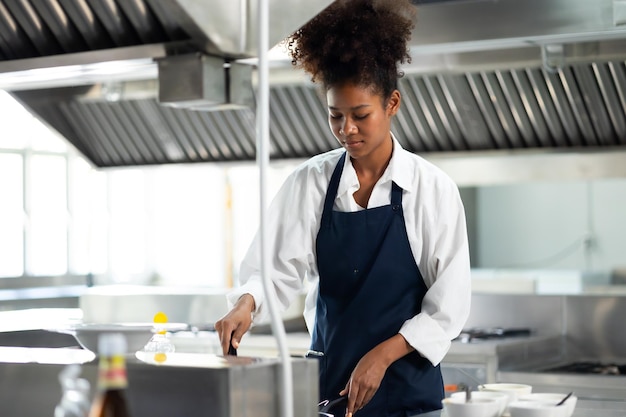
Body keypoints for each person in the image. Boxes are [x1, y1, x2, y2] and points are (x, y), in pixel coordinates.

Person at [215, 0, 471, 416]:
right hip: (330, 390)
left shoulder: (432, 190)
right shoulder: (310, 182)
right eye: (335, 115)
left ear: (392, 104)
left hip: (408, 395)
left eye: (360, 115)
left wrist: (383, 355)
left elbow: (449, 307)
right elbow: (274, 272)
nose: (346, 130)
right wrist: (245, 303)